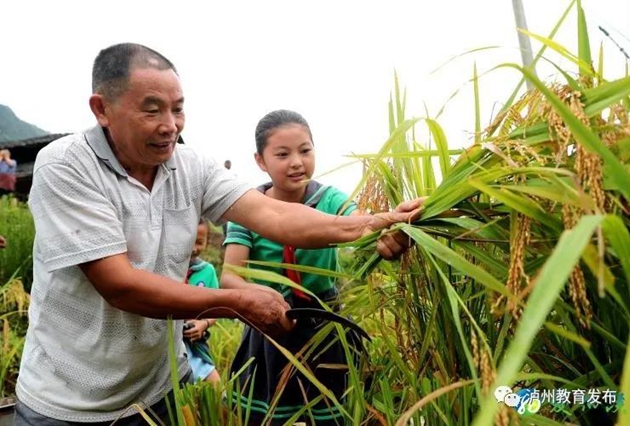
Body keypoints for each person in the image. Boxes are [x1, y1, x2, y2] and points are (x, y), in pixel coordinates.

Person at [14, 42, 421, 426]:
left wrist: (376, 222)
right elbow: (119, 285)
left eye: (178, 109)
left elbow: (274, 215)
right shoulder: (66, 166)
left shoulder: (190, 166)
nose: (170, 126)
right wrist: (236, 303)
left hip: (157, 390)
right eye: (152, 110)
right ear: (102, 109)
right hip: (69, 403)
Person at [220, 110, 380, 424]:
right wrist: (262, 297)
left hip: (325, 326)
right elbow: (229, 277)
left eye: (305, 150)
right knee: (268, 413)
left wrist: (386, 227)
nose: (297, 162)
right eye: (283, 154)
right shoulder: (247, 208)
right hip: (269, 325)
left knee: (333, 412)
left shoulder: (329, 199)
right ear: (260, 161)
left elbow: (362, 222)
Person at [182, 218, 221, 385]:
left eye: (199, 242)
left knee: (217, 390)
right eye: (188, 241)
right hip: (167, 345)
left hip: (194, 344)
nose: (193, 248)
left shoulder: (207, 271)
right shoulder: (165, 269)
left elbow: (216, 309)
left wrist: (203, 324)